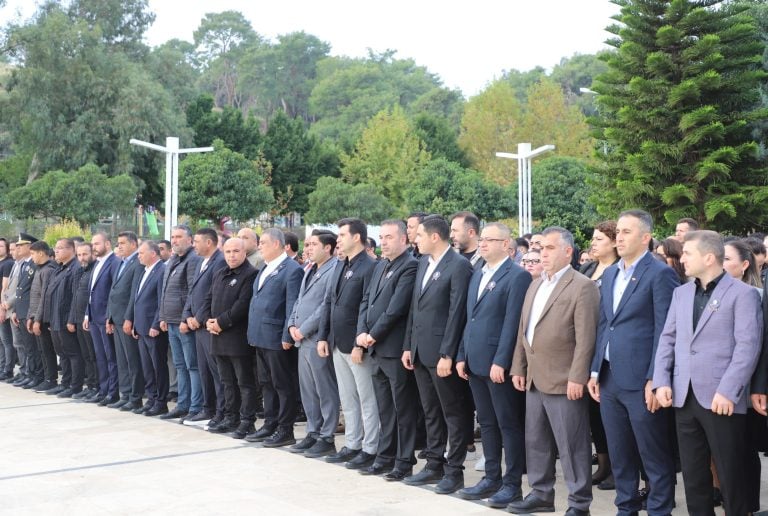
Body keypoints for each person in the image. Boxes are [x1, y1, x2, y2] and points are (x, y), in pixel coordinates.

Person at [654, 230, 761, 514]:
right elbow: (668, 339)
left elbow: (747, 347)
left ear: (709, 257)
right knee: (693, 475)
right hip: (684, 396)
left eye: (687, 253)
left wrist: (728, 390)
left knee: (730, 474)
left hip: (721, 398)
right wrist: (662, 380)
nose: (681, 259)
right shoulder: (681, 292)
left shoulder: (744, 295)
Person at [588, 209, 679, 515]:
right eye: (618, 232)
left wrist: (657, 378)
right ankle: (625, 507)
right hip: (610, 377)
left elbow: (666, 330)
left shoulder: (660, 273)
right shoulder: (612, 272)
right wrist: (594, 369)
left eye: (627, 232)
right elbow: (605, 324)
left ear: (645, 237)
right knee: (619, 451)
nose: (620, 237)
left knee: (652, 452)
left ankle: (659, 509)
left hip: (642, 380)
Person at [509, 227, 598, 515]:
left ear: (568, 252)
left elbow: (586, 338)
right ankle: (541, 493)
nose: (541, 253)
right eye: (540, 248)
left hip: (564, 379)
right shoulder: (535, 284)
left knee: (572, 445)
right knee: (536, 440)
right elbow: (525, 331)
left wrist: (577, 376)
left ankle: (579, 502)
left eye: (549, 248)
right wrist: (518, 366)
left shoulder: (581, 286)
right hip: (534, 377)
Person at [455, 223, 531, 506]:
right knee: (486, 422)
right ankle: (491, 478)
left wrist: (502, 361)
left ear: (506, 244)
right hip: (474, 360)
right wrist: (462, 354)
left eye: (490, 240)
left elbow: (512, 324)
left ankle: (512, 485)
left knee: (508, 424)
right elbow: (469, 319)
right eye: (482, 239)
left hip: (497, 363)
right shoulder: (477, 274)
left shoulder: (517, 276)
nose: (483, 244)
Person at [402, 215, 474, 494]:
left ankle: (454, 470)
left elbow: (458, 313)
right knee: (430, 411)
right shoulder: (422, 264)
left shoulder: (458, 266)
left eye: (419, 235)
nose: (415, 239)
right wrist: (409, 345)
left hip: (442, 353)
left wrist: (448, 353)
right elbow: (414, 309)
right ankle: (434, 463)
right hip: (420, 350)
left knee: (452, 413)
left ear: (434, 237)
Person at [356, 219, 420, 479]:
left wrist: (373, 334)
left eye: (389, 237)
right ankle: (385, 455)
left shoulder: (410, 266)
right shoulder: (381, 265)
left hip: (393, 347)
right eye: (381, 237)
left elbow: (396, 308)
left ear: (404, 239)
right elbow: (366, 300)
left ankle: (404, 461)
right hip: (375, 348)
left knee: (403, 408)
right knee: (385, 408)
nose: (383, 242)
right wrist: (361, 331)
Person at [317, 218, 379, 468]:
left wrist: (360, 344)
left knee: (367, 399)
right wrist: (323, 335)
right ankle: (352, 443)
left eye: (342, 235)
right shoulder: (341, 264)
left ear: (357, 237)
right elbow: (329, 302)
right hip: (336, 343)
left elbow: (368, 308)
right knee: (348, 399)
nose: (338, 239)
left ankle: (370, 447)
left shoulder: (370, 266)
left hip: (356, 346)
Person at [246, 228, 303, 445]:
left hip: (277, 337)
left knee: (282, 384)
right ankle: (270, 423)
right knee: (266, 383)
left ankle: (285, 429)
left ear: (278, 244)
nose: (260, 246)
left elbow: (291, 305)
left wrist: (287, 336)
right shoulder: (264, 267)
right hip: (260, 335)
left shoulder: (291, 269)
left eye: (264, 243)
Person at [286, 230, 340, 458]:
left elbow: (325, 306)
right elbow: (299, 301)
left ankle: (326, 436)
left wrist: (303, 328)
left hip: (317, 338)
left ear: (327, 247)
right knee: (308, 390)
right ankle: (313, 430)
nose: (307, 249)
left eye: (313, 244)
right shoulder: (310, 269)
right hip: (301, 339)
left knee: (324, 389)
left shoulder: (334, 268)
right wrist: (291, 324)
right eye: (306, 244)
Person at [203, 238, 258, 435]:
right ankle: (230, 417)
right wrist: (208, 321)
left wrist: (220, 323)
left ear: (244, 252)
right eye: (228, 251)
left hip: (237, 338)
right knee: (227, 381)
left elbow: (242, 305)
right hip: (217, 336)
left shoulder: (251, 274)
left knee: (244, 382)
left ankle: (247, 420)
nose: (232, 255)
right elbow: (209, 298)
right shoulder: (220, 273)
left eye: (236, 251)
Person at [578, 220, 619, 489]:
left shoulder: (619, 271)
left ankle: (619, 467)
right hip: (586, 344)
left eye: (599, 239)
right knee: (593, 412)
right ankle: (603, 464)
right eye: (593, 239)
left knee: (611, 413)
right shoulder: (587, 268)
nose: (593, 243)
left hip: (608, 348)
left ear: (614, 243)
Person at [182, 228, 227, 425]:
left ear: (209, 243)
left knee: (217, 372)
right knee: (204, 370)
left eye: (197, 241)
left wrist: (199, 318)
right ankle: (208, 408)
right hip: (197, 325)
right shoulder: (201, 262)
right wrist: (187, 316)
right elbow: (193, 292)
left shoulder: (219, 262)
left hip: (208, 325)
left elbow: (213, 294)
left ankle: (221, 411)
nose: (194, 245)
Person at [158, 225, 202, 420]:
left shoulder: (193, 259)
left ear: (190, 240)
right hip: (171, 321)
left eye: (178, 237)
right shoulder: (173, 259)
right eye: (172, 237)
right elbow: (166, 290)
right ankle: (182, 404)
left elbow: (193, 292)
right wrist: (163, 316)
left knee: (192, 365)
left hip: (184, 324)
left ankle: (195, 406)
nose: (174, 240)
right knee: (179, 365)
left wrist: (185, 318)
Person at [124, 241, 168, 417]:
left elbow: (160, 301)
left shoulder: (161, 271)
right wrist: (135, 322)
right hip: (141, 327)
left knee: (158, 366)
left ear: (153, 254)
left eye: (142, 253)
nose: (139, 256)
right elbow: (137, 300)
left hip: (152, 328)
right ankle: (151, 399)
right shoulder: (144, 271)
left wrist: (156, 324)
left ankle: (161, 402)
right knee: (147, 367)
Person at [84, 233, 119, 404]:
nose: (94, 247)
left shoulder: (114, 263)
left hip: (105, 317)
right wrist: (86, 313)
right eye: (92, 244)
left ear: (107, 243)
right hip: (93, 316)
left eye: (97, 244)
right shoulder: (96, 264)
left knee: (110, 356)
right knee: (100, 356)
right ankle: (103, 389)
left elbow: (113, 293)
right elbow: (91, 292)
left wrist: (109, 317)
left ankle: (113, 392)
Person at [45, 239, 82, 397]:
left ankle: (75, 385)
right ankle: (65, 383)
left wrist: (71, 319)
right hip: (55, 319)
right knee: (62, 353)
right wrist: (49, 319)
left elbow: (75, 296)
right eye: (56, 248)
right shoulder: (59, 268)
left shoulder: (76, 268)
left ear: (71, 250)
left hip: (66, 319)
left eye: (60, 248)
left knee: (72, 353)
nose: (56, 251)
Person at [27, 240, 59, 393]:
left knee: (47, 350)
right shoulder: (40, 269)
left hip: (44, 317)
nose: (31, 257)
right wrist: (30, 317)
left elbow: (44, 297)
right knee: (41, 350)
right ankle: (46, 377)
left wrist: (37, 320)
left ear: (41, 253)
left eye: (33, 253)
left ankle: (51, 379)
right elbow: (33, 296)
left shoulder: (48, 270)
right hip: (36, 316)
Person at [69, 242, 99, 399]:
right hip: (80, 319)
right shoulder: (80, 271)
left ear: (92, 253)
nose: (82, 258)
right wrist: (72, 319)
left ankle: (97, 387)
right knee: (86, 355)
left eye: (85, 254)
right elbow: (75, 297)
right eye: (79, 255)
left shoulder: (95, 270)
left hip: (91, 319)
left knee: (94, 355)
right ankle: (91, 385)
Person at [13, 234, 42, 390]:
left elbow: (34, 292)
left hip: (30, 312)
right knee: (28, 347)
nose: (19, 248)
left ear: (30, 246)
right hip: (22, 312)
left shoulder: (34, 264)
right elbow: (20, 292)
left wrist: (31, 314)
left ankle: (37, 375)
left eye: (22, 245)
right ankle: (30, 374)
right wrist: (17, 311)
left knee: (33, 347)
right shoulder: (25, 264)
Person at [0, 238, 15, 380]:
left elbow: (5, 288)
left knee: (7, 341)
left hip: (3, 306)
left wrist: (2, 308)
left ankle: (8, 369)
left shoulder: (8, 263)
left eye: (1, 246)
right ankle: (2, 366)